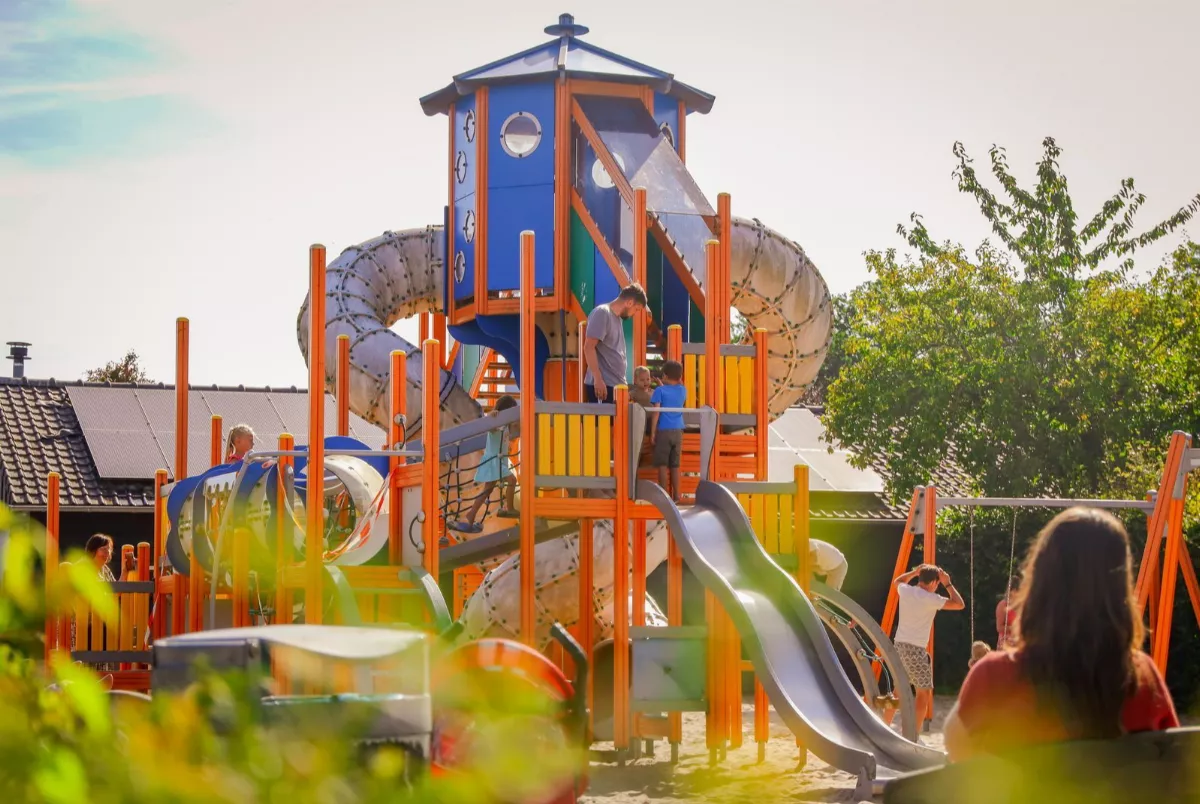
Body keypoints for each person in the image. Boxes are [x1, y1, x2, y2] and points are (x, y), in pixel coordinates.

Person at [945, 508, 1178, 762]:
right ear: (1120, 587)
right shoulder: (1144, 680)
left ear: (1039, 583)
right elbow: (1171, 759)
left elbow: (957, 748)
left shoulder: (995, 676)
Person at [891, 564, 964, 734]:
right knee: (923, 694)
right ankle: (912, 735)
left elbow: (898, 580)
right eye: (938, 584)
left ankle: (885, 726)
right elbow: (959, 604)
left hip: (899, 645)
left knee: (898, 690)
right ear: (933, 583)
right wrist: (948, 583)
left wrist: (914, 572)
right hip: (915, 649)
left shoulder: (906, 591)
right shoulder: (931, 599)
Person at [450, 395, 518, 534]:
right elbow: (489, 426)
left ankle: (470, 516)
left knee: (487, 491)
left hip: (499, 461)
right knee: (512, 480)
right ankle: (509, 509)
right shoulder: (496, 422)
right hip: (494, 461)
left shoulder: (506, 426)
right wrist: (491, 416)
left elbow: (517, 428)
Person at [582, 284, 649, 403]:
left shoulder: (617, 319)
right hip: (603, 387)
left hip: (615, 386)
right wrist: (598, 379)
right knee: (603, 422)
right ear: (629, 303)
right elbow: (588, 347)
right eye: (636, 309)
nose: (635, 313)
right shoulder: (602, 313)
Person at [649, 360, 686, 503]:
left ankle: (664, 496)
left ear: (664, 375)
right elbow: (675, 389)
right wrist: (664, 384)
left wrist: (653, 433)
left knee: (663, 465)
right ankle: (677, 495)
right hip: (678, 431)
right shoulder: (683, 390)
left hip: (664, 431)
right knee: (675, 465)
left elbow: (656, 412)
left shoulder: (659, 391)